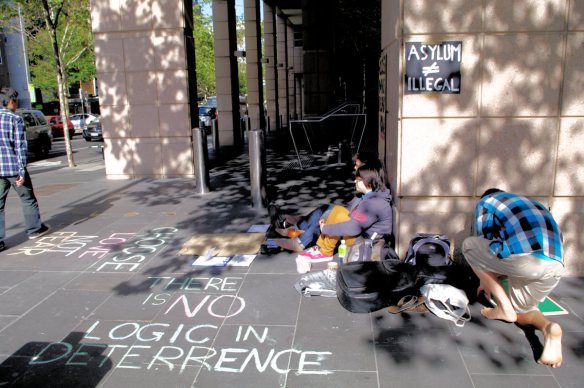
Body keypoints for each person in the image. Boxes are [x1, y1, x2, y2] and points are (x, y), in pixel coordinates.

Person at [462, 188, 564, 368]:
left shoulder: (487, 201)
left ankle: (503, 307)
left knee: (470, 246)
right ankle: (549, 328)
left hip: (526, 260)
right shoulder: (534, 203)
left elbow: (484, 242)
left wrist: (485, 281)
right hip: (554, 266)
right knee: (523, 311)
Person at [270, 151, 386, 253]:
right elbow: (353, 211)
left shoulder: (373, 203)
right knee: (326, 209)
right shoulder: (371, 194)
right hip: (355, 227)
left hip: (358, 239)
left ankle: (300, 241)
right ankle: (297, 228)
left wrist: (326, 227)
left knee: (329, 215)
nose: (355, 169)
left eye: (357, 165)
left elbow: (354, 226)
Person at [295, 164, 393, 273]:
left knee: (340, 215)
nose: (355, 182)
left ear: (368, 182)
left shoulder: (374, 204)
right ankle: (322, 248)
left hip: (366, 244)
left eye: (358, 180)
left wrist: (326, 228)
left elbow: (353, 228)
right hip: (361, 237)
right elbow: (349, 213)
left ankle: (325, 252)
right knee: (338, 210)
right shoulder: (370, 197)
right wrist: (328, 220)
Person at [0, 87, 50, 251]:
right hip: (13, 169)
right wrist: (21, 171)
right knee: (28, 199)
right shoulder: (15, 119)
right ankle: (34, 229)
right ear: (11, 101)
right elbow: (20, 147)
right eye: (16, 101)